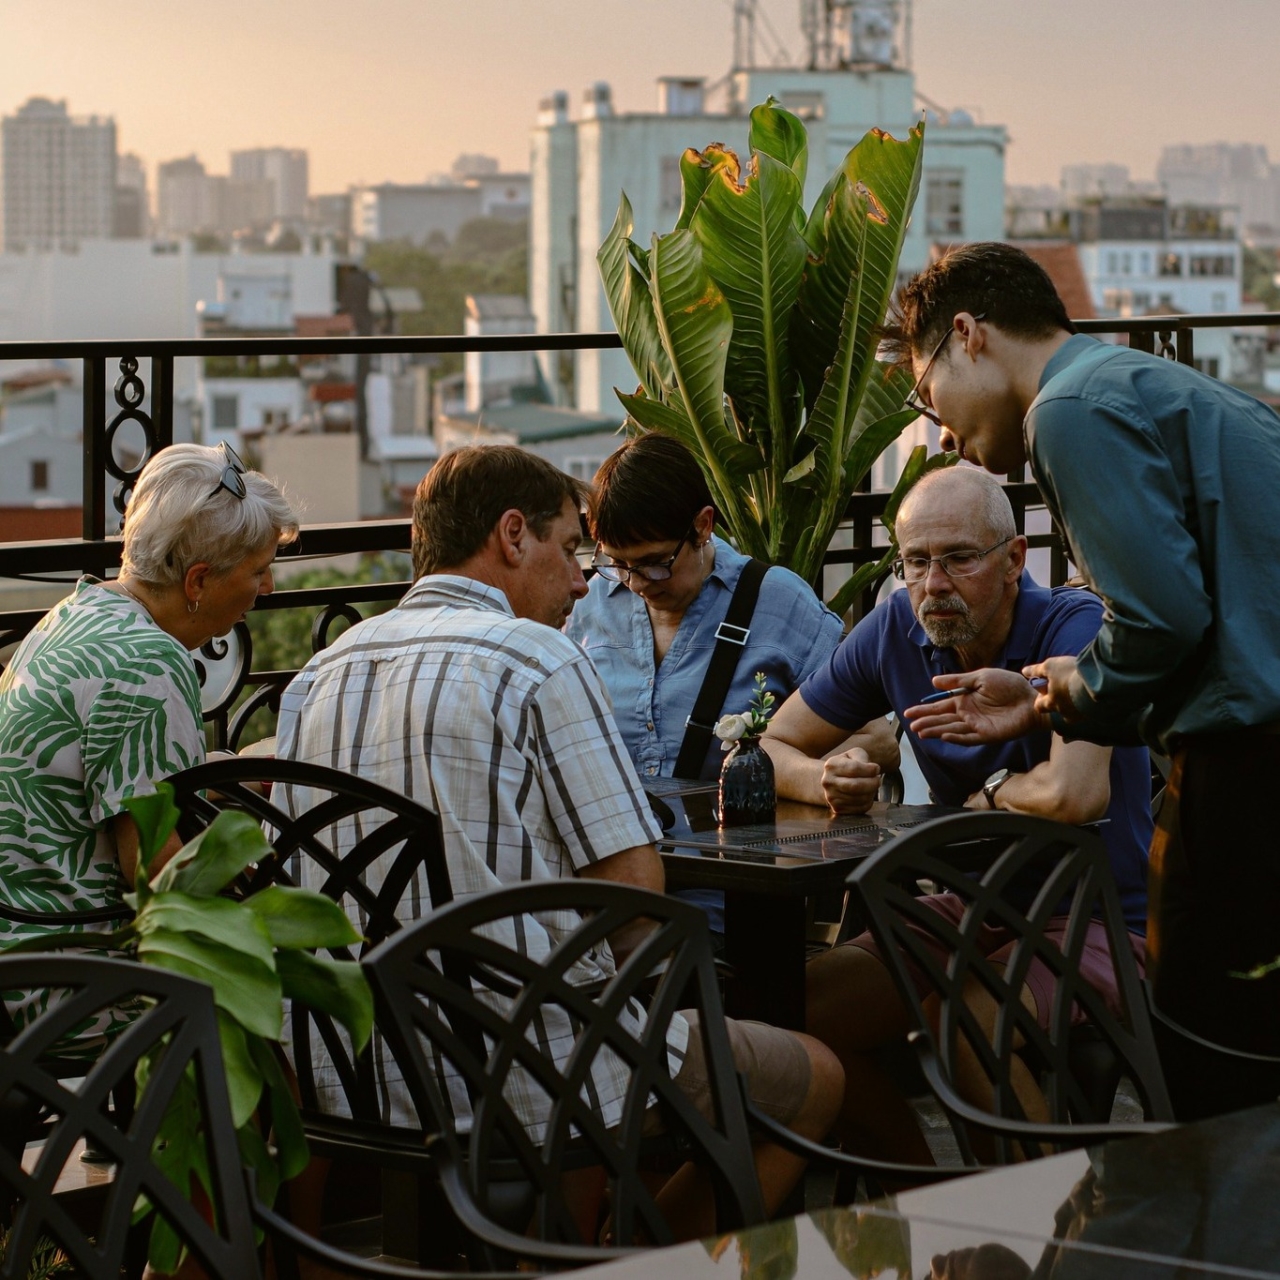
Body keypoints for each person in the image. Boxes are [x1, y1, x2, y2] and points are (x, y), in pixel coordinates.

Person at [273, 445, 842, 1238]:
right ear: (513, 535)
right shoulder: (535, 660)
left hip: (355, 1073)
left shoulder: (317, 675)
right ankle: (636, 1261)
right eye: (572, 550)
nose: (583, 583)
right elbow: (634, 901)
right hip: (527, 1074)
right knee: (817, 1080)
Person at [888, 241, 1280, 1118]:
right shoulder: (1149, 384)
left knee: (1217, 1074)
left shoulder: (1067, 412)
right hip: (1255, 747)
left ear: (968, 334)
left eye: (926, 392)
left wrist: (1067, 693)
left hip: (1247, 773)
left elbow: (1162, 621)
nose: (940, 431)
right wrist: (1047, 695)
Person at [763, 465, 1153, 1165]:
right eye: (916, 562)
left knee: (963, 1017)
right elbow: (772, 745)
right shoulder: (894, 629)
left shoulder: (1073, 625)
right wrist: (825, 776)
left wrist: (990, 796)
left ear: (1014, 560)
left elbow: (1074, 794)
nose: (933, 583)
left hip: (1099, 918)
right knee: (791, 1016)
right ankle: (923, 1197)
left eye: (959, 558)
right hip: (971, 910)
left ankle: (1050, 1223)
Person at [0, 440, 296, 1038]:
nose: (266, 588)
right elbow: (159, 875)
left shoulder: (76, 613)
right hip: (74, 990)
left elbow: (102, 786)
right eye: (258, 570)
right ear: (198, 580)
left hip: (19, 956)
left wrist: (216, 777)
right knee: (290, 1012)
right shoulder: (148, 664)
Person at [566, 432, 897, 936]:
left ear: (703, 525)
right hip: (608, 880)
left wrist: (824, 772)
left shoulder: (778, 602)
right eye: (618, 564)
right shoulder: (590, 605)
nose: (636, 582)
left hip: (732, 889)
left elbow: (878, 738)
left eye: (655, 563)